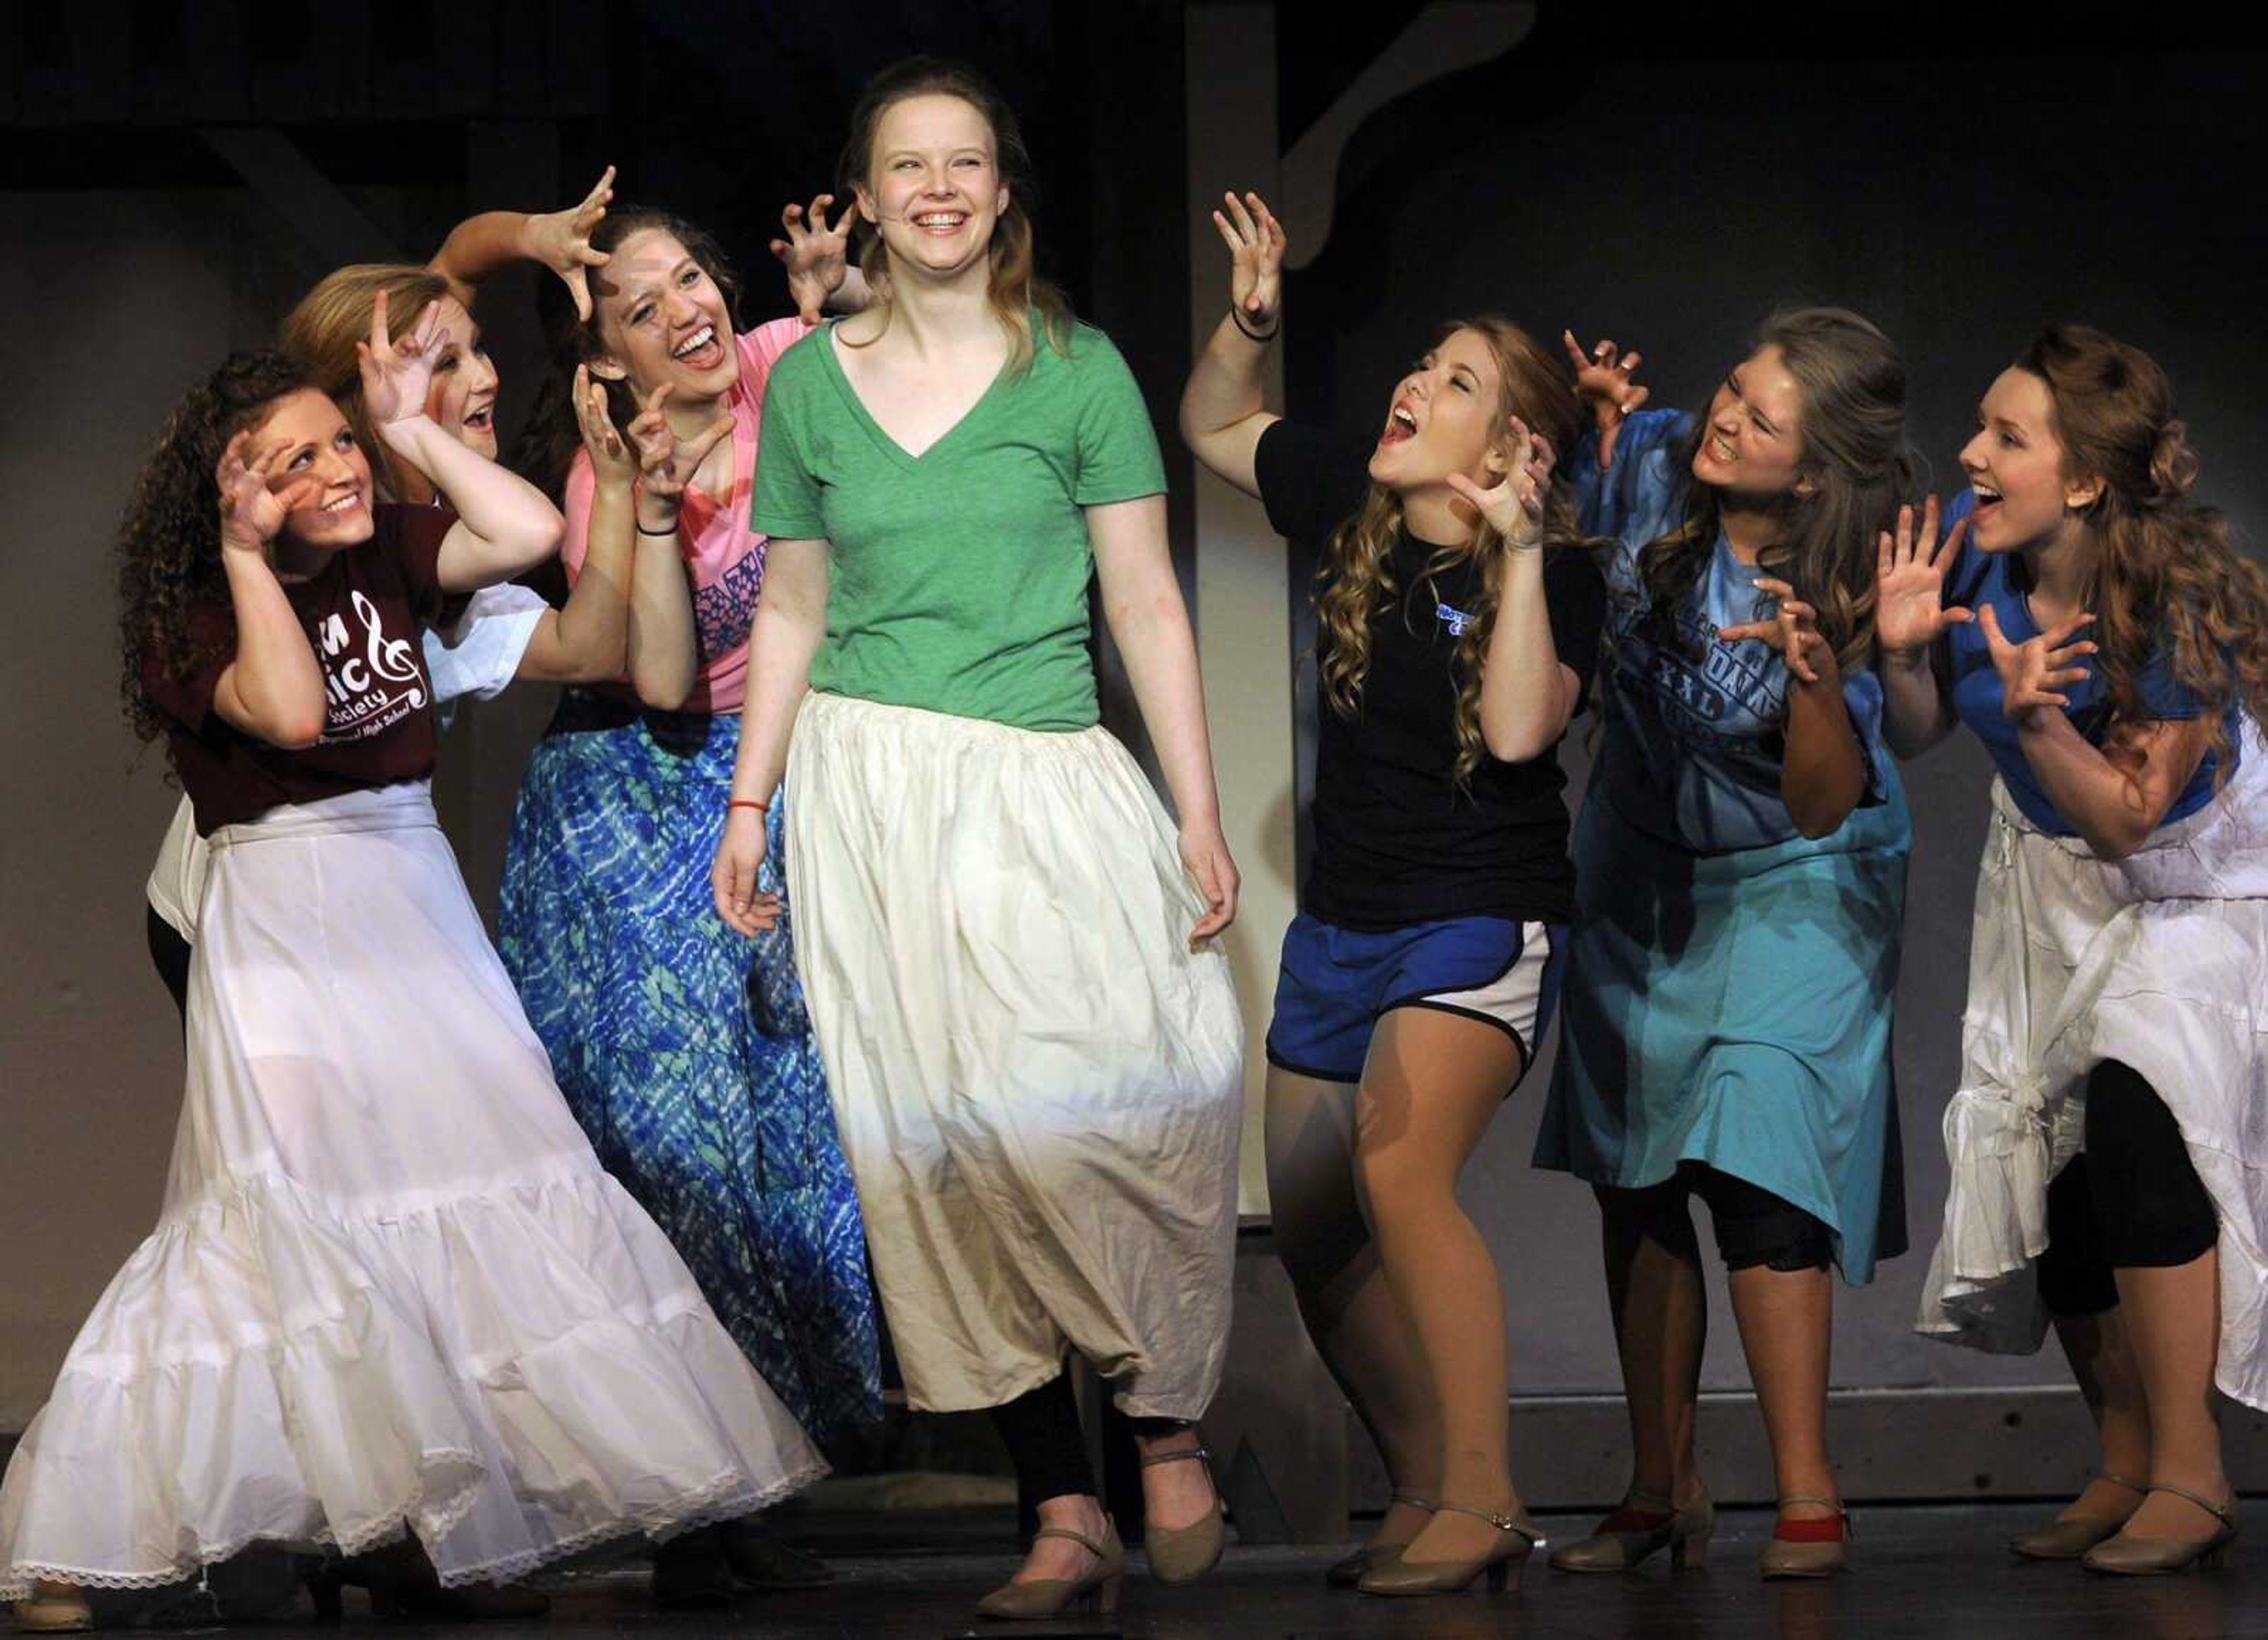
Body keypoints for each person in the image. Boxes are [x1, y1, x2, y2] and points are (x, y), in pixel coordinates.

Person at [1, 322, 822, 1633]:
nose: (326, 472)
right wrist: (243, 552)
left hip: (409, 894)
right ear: (226, 484)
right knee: (275, 1219)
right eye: (287, 461)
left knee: (489, 1177)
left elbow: (522, 538)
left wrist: (412, 432)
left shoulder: (390, 541)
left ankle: (429, 1520)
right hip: (280, 907)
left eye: (334, 445)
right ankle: (82, 1539)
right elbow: (290, 714)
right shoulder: (194, 610)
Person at [713, 56, 1245, 1621]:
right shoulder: (810, 383)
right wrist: (752, 804)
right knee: (937, 1144)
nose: (938, 188)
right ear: (866, 197)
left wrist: (1199, 811)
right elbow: (796, 602)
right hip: (867, 783)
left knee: (1086, 1105)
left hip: (1039, 775)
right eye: (907, 166)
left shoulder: (1078, 371)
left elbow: (1145, 597)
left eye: (966, 164)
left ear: (1003, 192)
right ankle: (1061, 1504)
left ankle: (1161, 1415)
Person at [1178, 191, 1605, 1596]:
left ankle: (1483, 1498)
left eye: (1459, 381)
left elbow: (1526, 732)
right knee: (1309, 1222)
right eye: (1428, 363)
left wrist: (1525, 549)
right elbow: (1211, 425)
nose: (1418, 384)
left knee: (1399, 1168)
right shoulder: (1356, 503)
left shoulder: (1560, 576)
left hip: (1477, 914)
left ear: (1512, 445)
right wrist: (1250, 320)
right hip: (1344, 928)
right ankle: (1428, 1482)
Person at [491, 190, 882, 1602]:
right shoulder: (607, 478)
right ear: (608, 364)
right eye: (643, 308)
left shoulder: (781, 361)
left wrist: (833, 295)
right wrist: (653, 503)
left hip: (771, 782)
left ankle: (775, 1469)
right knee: (674, 1149)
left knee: (791, 1134)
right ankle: (704, 1495)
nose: (687, 311)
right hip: (629, 799)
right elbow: (658, 680)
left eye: (691, 280)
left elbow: (873, 362)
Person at [1534, 313, 1915, 1579]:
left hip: (1797, 874)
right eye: (1731, 391)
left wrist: (1812, 680)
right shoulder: (1651, 455)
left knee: (1758, 1160)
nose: (1725, 420)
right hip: (1641, 861)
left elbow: (1818, 800)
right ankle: (1662, 1490)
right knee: (1637, 1173)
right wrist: (1595, 424)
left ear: (1811, 475)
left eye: (1761, 418)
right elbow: (1585, 579)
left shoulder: (1837, 592)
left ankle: (1811, 1493)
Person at [1888, 325, 2268, 1575]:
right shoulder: (1977, 554)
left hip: (2205, 882)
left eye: (2008, 436)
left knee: (2139, 1103)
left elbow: (2129, 815)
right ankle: (2122, 1457)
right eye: (1980, 428)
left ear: (2090, 478)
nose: (1971, 453)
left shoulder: (2177, 602)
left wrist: (2045, 722)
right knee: (2050, 1158)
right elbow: (1926, 728)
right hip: (2051, 870)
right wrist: (1899, 659)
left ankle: (2194, 1475)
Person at [143, 246, 696, 1024]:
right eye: (447, 362)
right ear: (361, 394)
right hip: (240, 905)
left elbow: (590, 647)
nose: (487, 377)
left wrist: (611, 488)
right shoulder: (293, 537)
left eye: (479, 350)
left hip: (362, 888)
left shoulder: (419, 532)